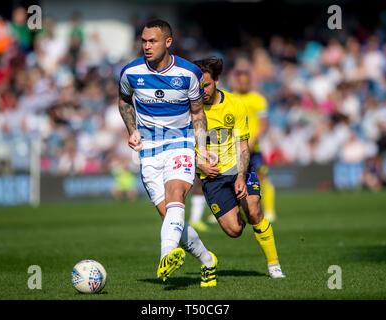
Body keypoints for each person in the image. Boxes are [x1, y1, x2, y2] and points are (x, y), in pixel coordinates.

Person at [118, 19, 218, 287]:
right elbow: (124, 100)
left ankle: (166, 256)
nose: (147, 46)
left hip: (180, 143)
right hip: (149, 151)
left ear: (168, 42)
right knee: (170, 219)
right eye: (144, 41)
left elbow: (197, 112)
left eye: (153, 41)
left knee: (176, 195)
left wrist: (203, 148)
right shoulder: (131, 72)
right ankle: (208, 260)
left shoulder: (189, 73)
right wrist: (132, 129)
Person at [193, 57, 285, 279]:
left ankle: (274, 266)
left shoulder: (235, 105)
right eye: (198, 86)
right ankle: (237, 209)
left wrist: (241, 176)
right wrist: (200, 163)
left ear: (216, 81)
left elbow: (243, 145)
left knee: (254, 211)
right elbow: (180, 145)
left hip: (237, 169)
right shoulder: (189, 109)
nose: (202, 91)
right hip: (211, 176)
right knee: (234, 230)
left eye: (206, 85)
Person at [232, 69, 277, 222]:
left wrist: (251, 142)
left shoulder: (258, 99)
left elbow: (263, 125)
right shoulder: (231, 99)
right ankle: (231, 212)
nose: (243, 84)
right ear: (236, 82)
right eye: (241, 81)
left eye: (246, 81)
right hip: (233, 147)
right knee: (231, 179)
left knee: (262, 177)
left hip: (254, 147)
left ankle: (270, 210)